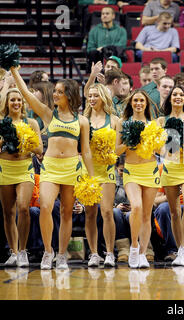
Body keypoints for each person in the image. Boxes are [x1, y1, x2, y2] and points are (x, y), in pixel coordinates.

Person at [10, 66, 95, 270]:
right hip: (50, 167)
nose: (55, 94)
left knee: (66, 212)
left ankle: (62, 255)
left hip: (72, 168)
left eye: (59, 91)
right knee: (45, 206)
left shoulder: (82, 121)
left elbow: (87, 152)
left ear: (70, 95)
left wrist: (90, 179)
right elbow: (27, 94)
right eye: (55, 91)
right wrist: (14, 72)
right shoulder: (49, 115)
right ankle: (49, 251)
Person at [115, 89, 161, 268]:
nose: (139, 103)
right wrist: (130, 140)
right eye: (135, 100)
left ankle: (142, 253)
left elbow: (160, 151)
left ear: (147, 104)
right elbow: (116, 150)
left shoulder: (153, 124)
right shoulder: (122, 122)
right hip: (131, 171)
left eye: (142, 100)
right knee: (136, 207)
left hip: (150, 170)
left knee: (146, 215)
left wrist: (151, 141)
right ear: (131, 103)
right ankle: (134, 246)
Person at [157, 85, 184, 266]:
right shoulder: (161, 121)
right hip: (170, 167)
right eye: (175, 94)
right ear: (170, 98)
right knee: (174, 211)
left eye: (181, 95)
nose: (178, 97)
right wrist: (171, 143)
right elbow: (158, 149)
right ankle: (179, 249)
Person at [0, 88, 43, 267]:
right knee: (8, 212)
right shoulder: (1, 122)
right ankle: (13, 252)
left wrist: (25, 141)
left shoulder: (31, 122)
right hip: (5, 168)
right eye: (12, 100)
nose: (16, 103)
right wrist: (5, 139)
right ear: (6, 103)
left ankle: (23, 250)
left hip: (25, 167)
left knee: (23, 207)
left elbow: (40, 150)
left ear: (23, 103)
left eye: (19, 100)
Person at [81, 83, 120, 267]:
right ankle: (94, 253)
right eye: (90, 96)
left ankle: (110, 253)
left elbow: (119, 149)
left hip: (106, 170)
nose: (92, 99)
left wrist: (109, 151)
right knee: (90, 213)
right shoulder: (84, 119)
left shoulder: (114, 120)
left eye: (95, 95)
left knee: (106, 211)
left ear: (103, 97)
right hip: (87, 170)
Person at [86, 7, 127, 72]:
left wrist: (105, 48)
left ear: (113, 16)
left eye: (107, 13)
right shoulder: (94, 31)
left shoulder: (121, 30)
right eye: (103, 14)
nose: (104, 16)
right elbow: (90, 48)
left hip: (115, 57)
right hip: (99, 58)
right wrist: (99, 50)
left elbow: (122, 45)